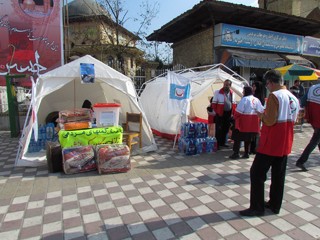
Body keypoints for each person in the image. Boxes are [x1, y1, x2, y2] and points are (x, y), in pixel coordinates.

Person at [239, 69, 300, 217]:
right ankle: (274, 204)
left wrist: (261, 115)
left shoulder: (274, 96)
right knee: (278, 175)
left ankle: (257, 207)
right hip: (285, 141)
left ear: (271, 82)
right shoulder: (293, 97)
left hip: (271, 141)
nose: (267, 87)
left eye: (267, 84)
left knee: (257, 173)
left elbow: (270, 120)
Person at [229, 86, 264, 159]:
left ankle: (236, 153)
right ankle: (246, 153)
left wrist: (234, 118)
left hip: (243, 122)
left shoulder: (244, 99)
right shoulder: (257, 100)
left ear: (246, 91)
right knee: (248, 138)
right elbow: (261, 111)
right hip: (253, 123)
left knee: (237, 137)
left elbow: (239, 111)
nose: (242, 92)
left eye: (243, 91)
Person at [295, 82, 320, 172]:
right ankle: (301, 161)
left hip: (313, 118)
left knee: (317, 139)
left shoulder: (312, 88)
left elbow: (302, 102)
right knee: (315, 141)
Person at [211, 79, 237, 149]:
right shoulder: (218, 92)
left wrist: (233, 113)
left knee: (225, 129)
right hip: (220, 113)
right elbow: (213, 104)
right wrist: (216, 112)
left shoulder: (232, 93)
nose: (225, 86)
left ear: (230, 86)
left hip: (228, 114)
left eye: (227, 85)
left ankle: (223, 142)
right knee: (219, 129)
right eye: (224, 84)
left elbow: (233, 104)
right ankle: (217, 144)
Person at [250, 81, 265, 154]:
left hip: (255, 117)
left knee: (255, 133)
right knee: (255, 133)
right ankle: (253, 148)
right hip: (255, 117)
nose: (253, 88)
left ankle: (254, 148)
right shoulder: (256, 95)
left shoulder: (257, 97)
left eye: (254, 86)